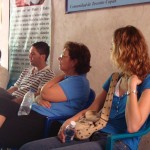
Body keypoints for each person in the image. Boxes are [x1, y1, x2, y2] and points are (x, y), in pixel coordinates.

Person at [20, 25, 150, 150]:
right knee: (28, 147)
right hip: (92, 132)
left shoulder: (146, 81)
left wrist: (132, 86)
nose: (110, 50)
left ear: (125, 50)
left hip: (118, 143)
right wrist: (70, 121)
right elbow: (92, 109)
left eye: (113, 46)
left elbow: (133, 127)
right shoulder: (115, 79)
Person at [0, 41, 91, 148]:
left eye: (63, 56)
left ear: (74, 62)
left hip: (45, 121)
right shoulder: (69, 79)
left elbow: (45, 92)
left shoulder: (78, 82)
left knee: (3, 107)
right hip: (33, 113)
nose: (59, 58)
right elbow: (39, 95)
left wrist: (61, 75)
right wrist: (39, 99)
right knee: (2, 103)